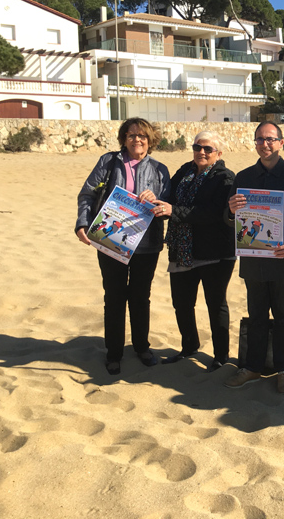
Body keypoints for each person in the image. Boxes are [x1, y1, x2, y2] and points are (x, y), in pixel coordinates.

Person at [224, 121, 284, 394]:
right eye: (260, 139)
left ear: (281, 142)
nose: (265, 144)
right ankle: (252, 367)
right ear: (255, 143)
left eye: (271, 139)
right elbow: (230, 221)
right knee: (257, 316)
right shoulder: (243, 178)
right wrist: (231, 211)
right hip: (253, 261)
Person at [75, 118, 170, 376]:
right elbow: (87, 194)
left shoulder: (161, 170)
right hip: (111, 241)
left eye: (142, 136)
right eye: (131, 135)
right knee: (114, 297)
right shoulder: (108, 162)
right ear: (123, 138)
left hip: (147, 245)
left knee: (141, 298)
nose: (136, 140)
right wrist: (82, 223)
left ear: (150, 140)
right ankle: (114, 353)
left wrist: (157, 201)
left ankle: (142, 348)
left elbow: (167, 207)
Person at [160, 131, 236, 372]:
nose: (201, 152)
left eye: (208, 149)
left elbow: (213, 213)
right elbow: (168, 197)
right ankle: (189, 346)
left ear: (219, 154)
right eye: (197, 147)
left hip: (215, 251)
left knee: (216, 303)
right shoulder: (184, 171)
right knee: (181, 303)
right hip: (182, 248)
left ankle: (221, 355)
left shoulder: (225, 178)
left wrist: (175, 211)